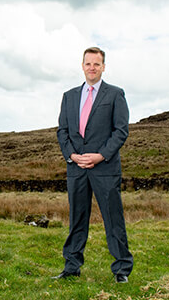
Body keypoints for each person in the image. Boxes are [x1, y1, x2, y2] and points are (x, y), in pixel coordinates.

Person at [54, 46, 134, 283]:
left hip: (105, 168)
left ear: (103, 67)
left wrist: (101, 155)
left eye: (96, 64)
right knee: (77, 219)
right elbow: (62, 131)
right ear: (82, 66)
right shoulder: (69, 96)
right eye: (88, 63)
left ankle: (121, 269)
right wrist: (71, 156)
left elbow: (121, 131)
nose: (92, 68)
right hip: (76, 169)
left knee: (113, 219)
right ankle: (71, 267)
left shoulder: (115, 94)